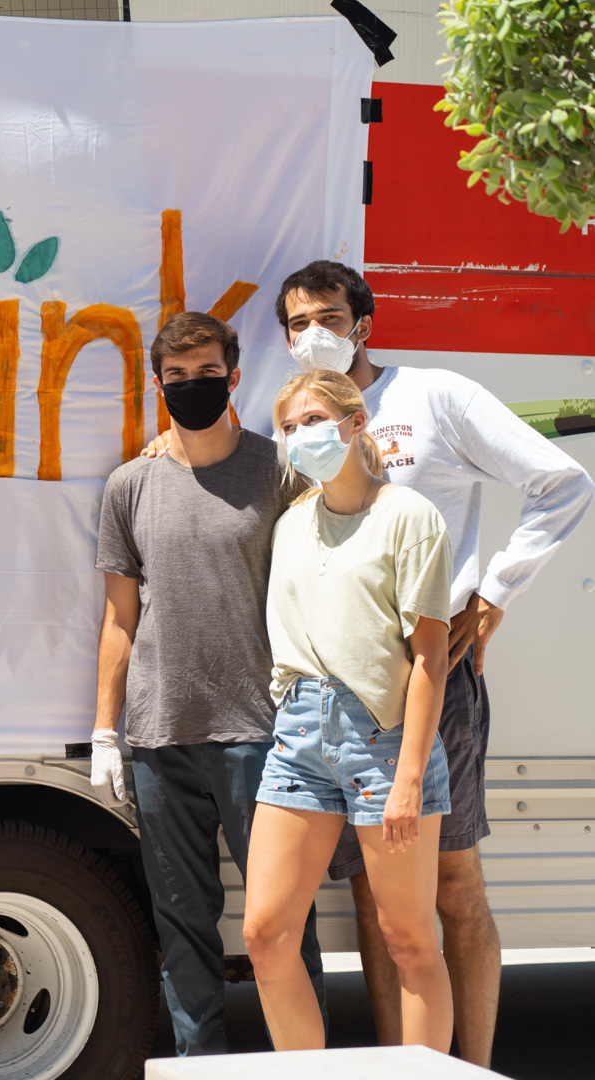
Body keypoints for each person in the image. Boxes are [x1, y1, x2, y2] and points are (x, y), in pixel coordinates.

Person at [277, 261, 593, 1064]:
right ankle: (402, 1065)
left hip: (433, 678)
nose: (312, 331)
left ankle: (472, 1067)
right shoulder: (291, 420)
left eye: (328, 315)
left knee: (454, 890)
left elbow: (561, 480)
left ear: (363, 324)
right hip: (340, 694)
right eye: (296, 321)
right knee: (380, 904)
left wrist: (492, 594)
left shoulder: (434, 396)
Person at [89, 311, 325, 1056]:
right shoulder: (130, 484)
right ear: (159, 383)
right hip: (161, 736)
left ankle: (308, 1067)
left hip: (263, 732)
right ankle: (201, 1066)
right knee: (182, 921)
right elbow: (120, 619)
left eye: (207, 373)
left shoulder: (279, 471)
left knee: (283, 923)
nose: (193, 387)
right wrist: (106, 729)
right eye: (177, 377)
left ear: (235, 375)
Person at [243, 369, 455, 1051]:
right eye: (290, 426)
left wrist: (411, 777)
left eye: (313, 420)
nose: (301, 436)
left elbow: (428, 655)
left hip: (384, 737)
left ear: (355, 423)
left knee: (409, 939)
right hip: (300, 730)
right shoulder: (291, 522)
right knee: (265, 936)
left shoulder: (408, 516)